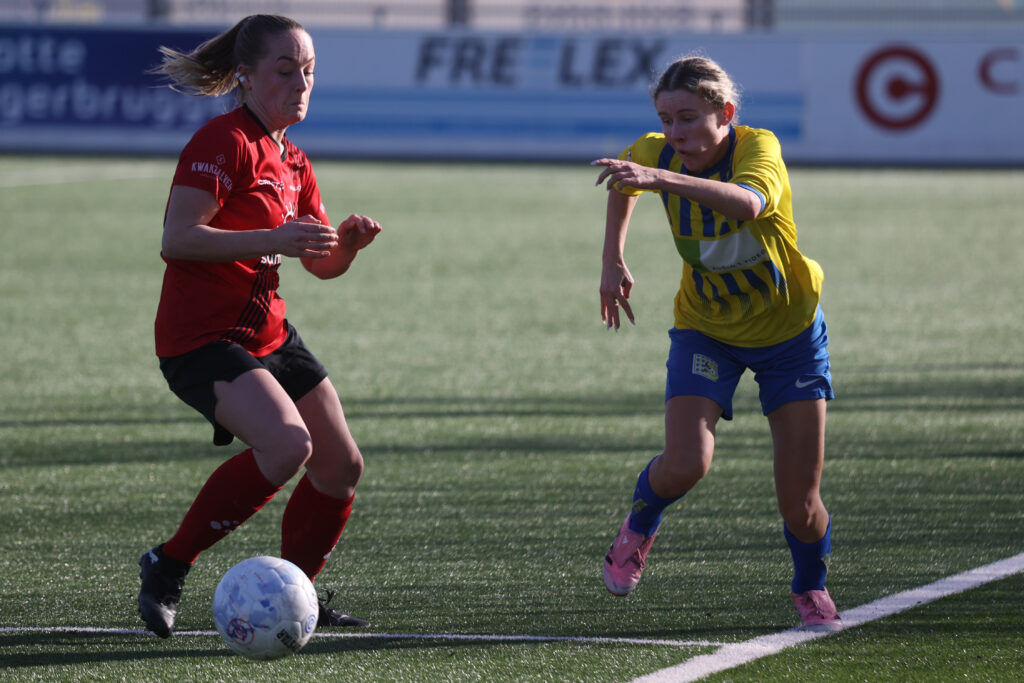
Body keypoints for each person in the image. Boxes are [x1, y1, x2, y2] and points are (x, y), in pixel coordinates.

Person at [137, 14, 382, 638]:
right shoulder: (223, 142)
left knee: (340, 466)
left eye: (309, 72)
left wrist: (346, 247)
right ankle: (168, 565)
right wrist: (275, 236)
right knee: (287, 445)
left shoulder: (293, 159)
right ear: (243, 77)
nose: (301, 84)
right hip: (202, 340)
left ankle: (295, 594)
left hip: (269, 333)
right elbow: (178, 239)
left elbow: (320, 264)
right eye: (286, 70)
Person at [591, 55, 841, 631]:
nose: (675, 134)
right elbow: (625, 182)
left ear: (725, 113)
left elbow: (749, 202)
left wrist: (660, 177)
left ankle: (810, 588)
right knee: (685, 465)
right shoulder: (656, 154)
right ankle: (639, 524)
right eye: (665, 120)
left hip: (791, 336)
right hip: (707, 330)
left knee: (801, 508)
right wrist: (613, 257)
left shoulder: (759, 149)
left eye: (688, 118)